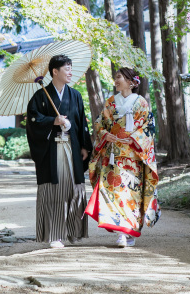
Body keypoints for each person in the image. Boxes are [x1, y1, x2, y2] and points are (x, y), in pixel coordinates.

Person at [85, 67, 160, 248]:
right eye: (115, 77)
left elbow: (149, 127)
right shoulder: (111, 102)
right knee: (114, 192)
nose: (116, 80)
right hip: (113, 155)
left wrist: (134, 138)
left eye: (119, 77)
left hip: (133, 156)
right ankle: (121, 234)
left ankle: (129, 230)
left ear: (131, 81)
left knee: (131, 194)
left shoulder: (141, 103)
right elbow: (99, 124)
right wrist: (105, 135)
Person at [26, 55, 93, 248]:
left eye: (71, 68)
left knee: (74, 186)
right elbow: (32, 121)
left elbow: (82, 123)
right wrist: (51, 121)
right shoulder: (40, 96)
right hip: (51, 149)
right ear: (55, 72)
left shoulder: (75, 95)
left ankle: (74, 231)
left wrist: (84, 146)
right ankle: (55, 235)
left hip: (72, 147)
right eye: (67, 69)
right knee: (54, 189)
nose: (70, 72)